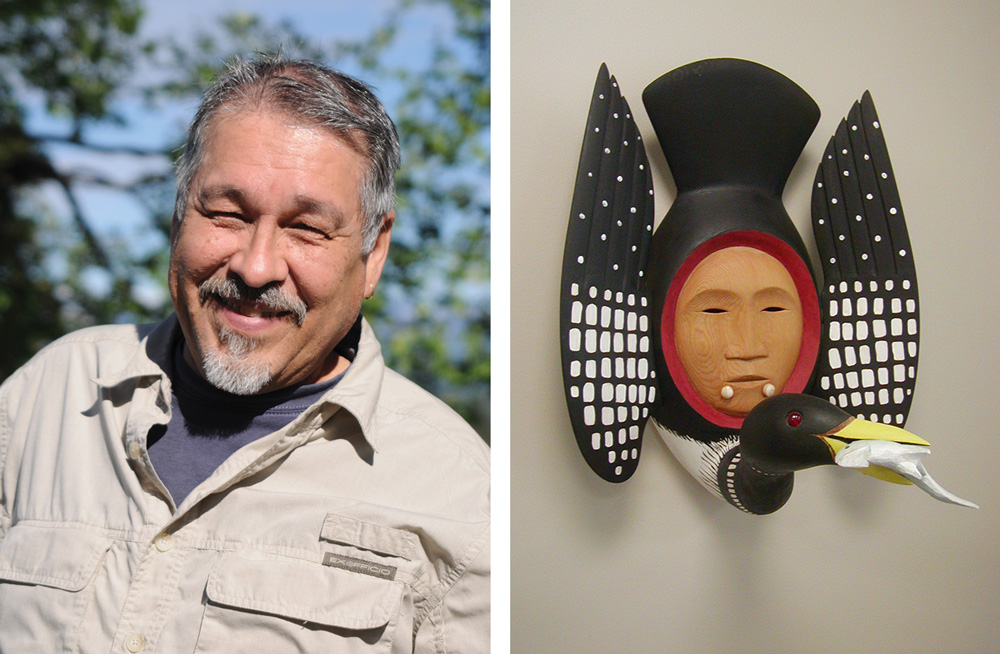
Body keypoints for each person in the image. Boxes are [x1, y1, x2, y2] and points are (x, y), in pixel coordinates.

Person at [0, 55, 490, 653]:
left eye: (306, 228)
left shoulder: (461, 494)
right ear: (178, 214)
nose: (256, 267)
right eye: (226, 214)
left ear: (374, 251)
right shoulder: (45, 397)